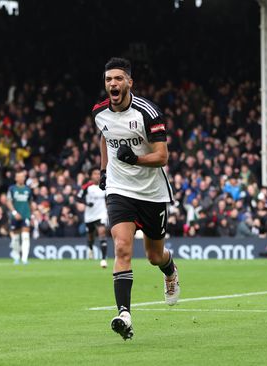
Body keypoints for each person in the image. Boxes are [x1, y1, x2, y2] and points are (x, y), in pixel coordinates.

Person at [93, 57, 179, 340]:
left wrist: (137, 159)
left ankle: (169, 269)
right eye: (108, 80)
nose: (113, 84)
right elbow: (105, 136)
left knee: (154, 256)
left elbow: (163, 157)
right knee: (121, 247)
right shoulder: (99, 113)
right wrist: (104, 169)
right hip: (119, 190)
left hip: (152, 193)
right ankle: (124, 315)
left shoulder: (148, 113)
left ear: (130, 82)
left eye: (118, 79)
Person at [76, 167, 109, 268]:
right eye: (94, 174)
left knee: (102, 233)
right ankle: (90, 248)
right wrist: (86, 203)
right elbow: (78, 197)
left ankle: (103, 259)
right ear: (91, 176)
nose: (97, 176)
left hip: (101, 214)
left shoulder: (105, 185)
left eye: (98, 174)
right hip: (90, 215)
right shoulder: (86, 186)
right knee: (91, 236)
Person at [7, 170, 33, 264]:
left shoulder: (28, 189)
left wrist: (31, 215)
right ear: (16, 178)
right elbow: (8, 201)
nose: (22, 178)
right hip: (15, 216)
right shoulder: (12, 189)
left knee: (26, 236)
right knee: (16, 238)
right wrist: (14, 212)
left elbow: (30, 203)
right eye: (20, 177)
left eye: (23, 177)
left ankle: (24, 259)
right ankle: (16, 257)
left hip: (25, 214)